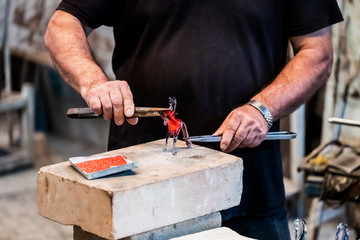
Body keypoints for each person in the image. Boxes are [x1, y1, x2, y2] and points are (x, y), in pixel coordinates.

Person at [44, 1, 343, 239]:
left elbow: (317, 51)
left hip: (250, 188)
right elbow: (63, 24)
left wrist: (262, 109)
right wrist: (94, 82)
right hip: (141, 186)